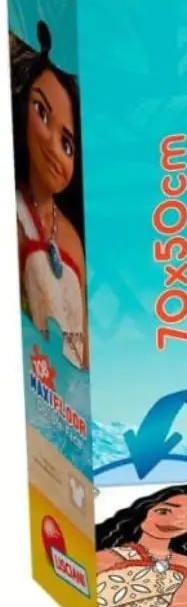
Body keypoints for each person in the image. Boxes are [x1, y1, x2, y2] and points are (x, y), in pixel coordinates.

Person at [11, 21, 87, 368]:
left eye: (67, 144)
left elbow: (85, 345)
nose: (54, 148)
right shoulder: (16, 214)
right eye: (41, 111)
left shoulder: (71, 237)